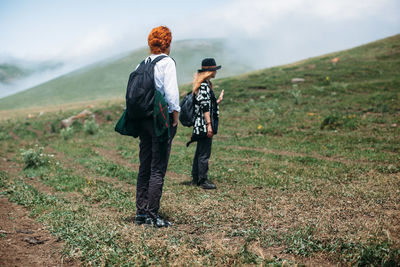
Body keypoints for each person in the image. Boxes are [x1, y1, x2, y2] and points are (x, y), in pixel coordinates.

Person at [133, 26, 180, 227]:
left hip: (143, 119)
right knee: (157, 168)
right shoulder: (166, 63)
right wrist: (175, 116)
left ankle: (141, 213)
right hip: (160, 120)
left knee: (144, 166)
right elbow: (171, 94)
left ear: (150, 43)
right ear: (167, 44)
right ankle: (153, 216)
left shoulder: (141, 63)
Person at [189, 58, 224, 190]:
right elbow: (204, 107)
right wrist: (209, 125)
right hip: (204, 124)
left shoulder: (205, 84)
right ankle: (203, 179)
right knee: (204, 152)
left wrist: (217, 101)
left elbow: (206, 104)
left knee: (200, 151)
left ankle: (196, 178)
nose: (216, 72)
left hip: (201, 123)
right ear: (209, 71)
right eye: (214, 70)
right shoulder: (204, 85)